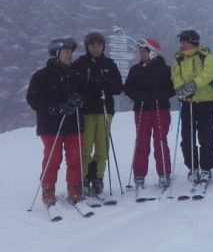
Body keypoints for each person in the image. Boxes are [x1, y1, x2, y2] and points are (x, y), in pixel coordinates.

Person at [26, 38, 86, 205]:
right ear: (56, 54)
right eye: (66, 52)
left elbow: (86, 94)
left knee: (75, 157)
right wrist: (55, 108)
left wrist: (79, 100)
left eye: (70, 52)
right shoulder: (41, 76)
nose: (69, 55)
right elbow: (33, 99)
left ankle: (74, 188)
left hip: (74, 123)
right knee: (53, 158)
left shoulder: (76, 74)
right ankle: (48, 189)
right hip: (51, 125)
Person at [71, 32, 123, 196]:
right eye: (93, 45)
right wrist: (88, 86)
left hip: (104, 111)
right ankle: (84, 179)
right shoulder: (80, 64)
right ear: (87, 46)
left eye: (99, 45)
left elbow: (118, 88)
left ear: (103, 47)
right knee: (85, 148)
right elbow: (73, 87)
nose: (96, 48)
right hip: (86, 111)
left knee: (102, 147)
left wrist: (104, 82)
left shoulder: (109, 64)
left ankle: (98, 178)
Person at [123, 39, 175, 188]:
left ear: (153, 52)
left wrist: (161, 93)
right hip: (142, 109)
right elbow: (127, 88)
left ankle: (164, 172)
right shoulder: (136, 69)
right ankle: (139, 173)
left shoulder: (165, 69)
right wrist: (138, 95)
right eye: (140, 51)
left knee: (160, 141)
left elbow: (172, 88)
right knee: (142, 142)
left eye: (144, 51)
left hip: (160, 108)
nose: (141, 54)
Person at [172, 29, 213, 184]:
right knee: (187, 136)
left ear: (193, 41)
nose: (182, 45)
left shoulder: (205, 53)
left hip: (204, 100)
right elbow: (175, 74)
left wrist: (192, 85)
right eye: (181, 42)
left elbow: (208, 74)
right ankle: (192, 167)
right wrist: (181, 88)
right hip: (187, 101)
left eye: (185, 41)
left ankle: (206, 168)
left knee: (205, 136)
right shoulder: (179, 56)